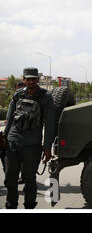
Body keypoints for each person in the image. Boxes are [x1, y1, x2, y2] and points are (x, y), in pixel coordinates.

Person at [3, 67, 56, 209]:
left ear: (38, 80)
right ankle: (11, 205)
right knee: (10, 178)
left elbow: (50, 125)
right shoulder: (18, 95)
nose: (31, 81)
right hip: (13, 142)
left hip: (32, 146)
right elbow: (9, 119)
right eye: (28, 79)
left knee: (30, 180)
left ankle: (29, 206)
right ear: (24, 80)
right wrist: (4, 139)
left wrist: (47, 148)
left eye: (34, 79)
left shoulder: (46, 97)